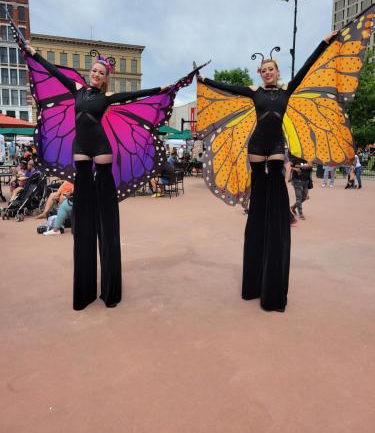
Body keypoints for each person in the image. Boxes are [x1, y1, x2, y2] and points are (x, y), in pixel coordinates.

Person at [198, 31, 336, 312]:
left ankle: (279, 222)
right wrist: (204, 81)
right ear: (259, 74)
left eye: (271, 69)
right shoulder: (253, 92)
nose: (267, 73)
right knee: (258, 190)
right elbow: (227, 88)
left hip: (275, 144)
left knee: (276, 183)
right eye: (263, 70)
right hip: (256, 145)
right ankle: (257, 222)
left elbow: (308, 67)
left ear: (277, 71)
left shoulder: (286, 91)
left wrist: (324, 42)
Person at [25, 43, 170, 310]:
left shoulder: (108, 97)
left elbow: (136, 94)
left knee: (106, 216)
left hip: (102, 151)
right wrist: (34, 54)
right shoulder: (77, 89)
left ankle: (111, 290)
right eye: (94, 70)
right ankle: (85, 290)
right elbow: (54, 73)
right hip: (80, 151)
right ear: (89, 72)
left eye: (101, 72)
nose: (96, 74)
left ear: (105, 78)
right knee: (83, 217)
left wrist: (161, 89)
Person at [290, 156, 312, 220]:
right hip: (297, 180)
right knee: (299, 197)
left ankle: (293, 207)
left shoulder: (309, 158)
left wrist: (299, 166)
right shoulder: (295, 159)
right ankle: (300, 213)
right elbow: (288, 166)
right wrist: (295, 168)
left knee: (304, 197)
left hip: (306, 180)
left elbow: (310, 166)